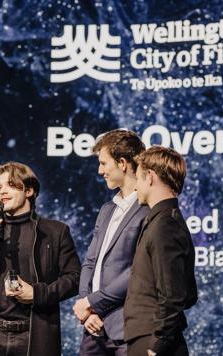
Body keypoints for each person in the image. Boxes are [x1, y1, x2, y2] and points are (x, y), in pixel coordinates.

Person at [0, 161, 81, 356]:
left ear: (29, 190)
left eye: (11, 185)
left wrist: (38, 294)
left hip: (33, 334)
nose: (2, 192)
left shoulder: (55, 232)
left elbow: (74, 279)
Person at [73, 129, 149, 355]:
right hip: (93, 328)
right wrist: (85, 307)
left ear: (123, 163)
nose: (100, 170)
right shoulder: (107, 209)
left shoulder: (147, 210)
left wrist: (93, 304)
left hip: (125, 328)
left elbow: (137, 271)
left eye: (104, 163)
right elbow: (90, 262)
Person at [124, 146, 198, 356]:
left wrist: (157, 345)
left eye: (138, 178)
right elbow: (188, 294)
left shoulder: (165, 225)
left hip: (153, 342)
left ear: (150, 177)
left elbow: (172, 295)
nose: (136, 187)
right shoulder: (162, 221)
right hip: (149, 337)